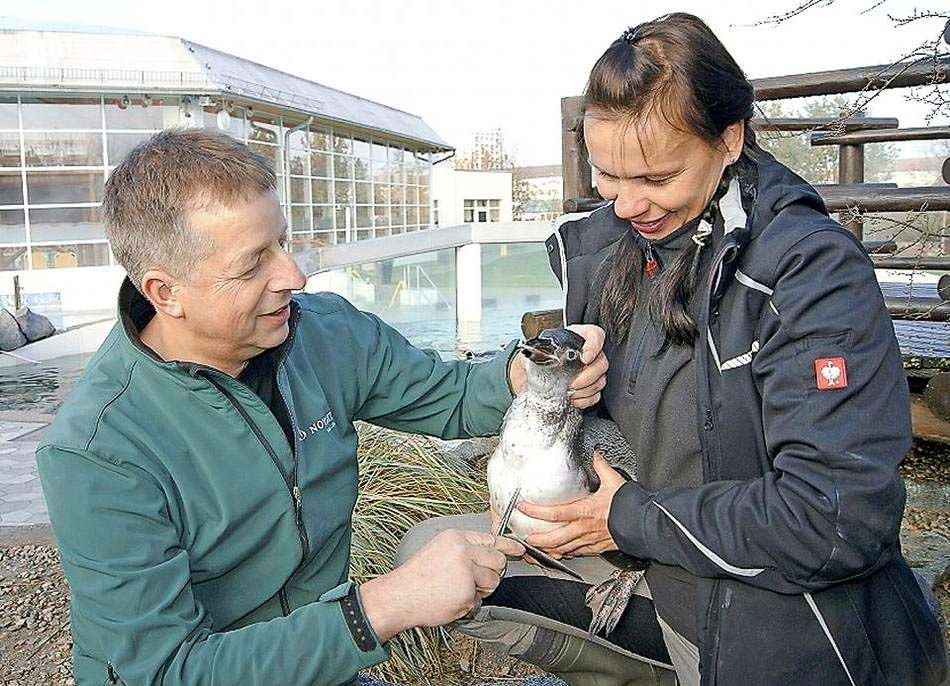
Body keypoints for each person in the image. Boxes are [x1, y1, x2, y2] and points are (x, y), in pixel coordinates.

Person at [399, 13, 946, 686]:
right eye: (607, 176)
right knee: (438, 561)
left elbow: (838, 517)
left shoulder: (807, 273)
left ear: (729, 138)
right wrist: (523, 477)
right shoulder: (601, 253)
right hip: (645, 554)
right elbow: (581, 433)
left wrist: (625, 519)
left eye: (656, 178)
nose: (627, 205)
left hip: (769, 602)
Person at [35, 127, 610, 685]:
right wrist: (385, 605)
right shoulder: (96, 452)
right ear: (166, 293)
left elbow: (453, 397)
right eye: (251, 263)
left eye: (281, 242)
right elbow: (169, 672)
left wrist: (531, 377)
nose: (294, 275)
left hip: (328, 665)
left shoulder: (324, 333)